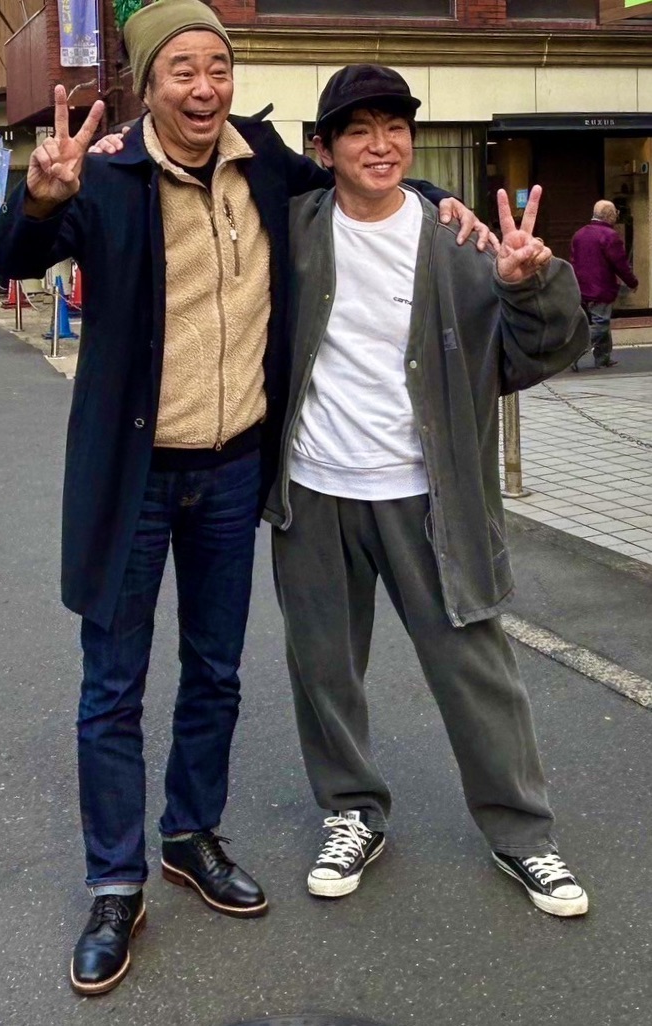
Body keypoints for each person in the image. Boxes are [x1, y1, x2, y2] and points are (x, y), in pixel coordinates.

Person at [0, 0, 486, 996]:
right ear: (147, 83)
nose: (204, 86)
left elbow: (359, 179)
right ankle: (115, 883)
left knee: (215, 670)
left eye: (217, 66)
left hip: (230, 470)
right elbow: (13, 259)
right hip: (132, 474)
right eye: (182, 69)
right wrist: (37, 198)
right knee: (112, 686)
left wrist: (439, 198)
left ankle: (190, 834)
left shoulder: (265, 164)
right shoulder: (106, 175)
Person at [263, 64, 590, 918]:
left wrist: (528, 283)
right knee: (322, 668)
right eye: (358, 130)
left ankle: (522, 833)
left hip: (429, 494)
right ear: (323, 149)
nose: (381, 145)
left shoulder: (460, 242)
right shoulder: (292, 229)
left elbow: (537, 352)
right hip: (313, 490)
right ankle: (350, 811)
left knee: (473, 670)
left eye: (395, 127)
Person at [569, 199, 638, 369]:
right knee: (601, 324)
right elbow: (620, 264)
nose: (617, 215)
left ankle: (603, 357)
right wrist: (632, 282)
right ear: (609, 215)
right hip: (601, 287)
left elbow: (573, 261)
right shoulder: (609, 236)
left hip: (581, 286)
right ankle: (575, 351)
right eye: (615, 212)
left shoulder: (579, 234)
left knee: (602, 321)